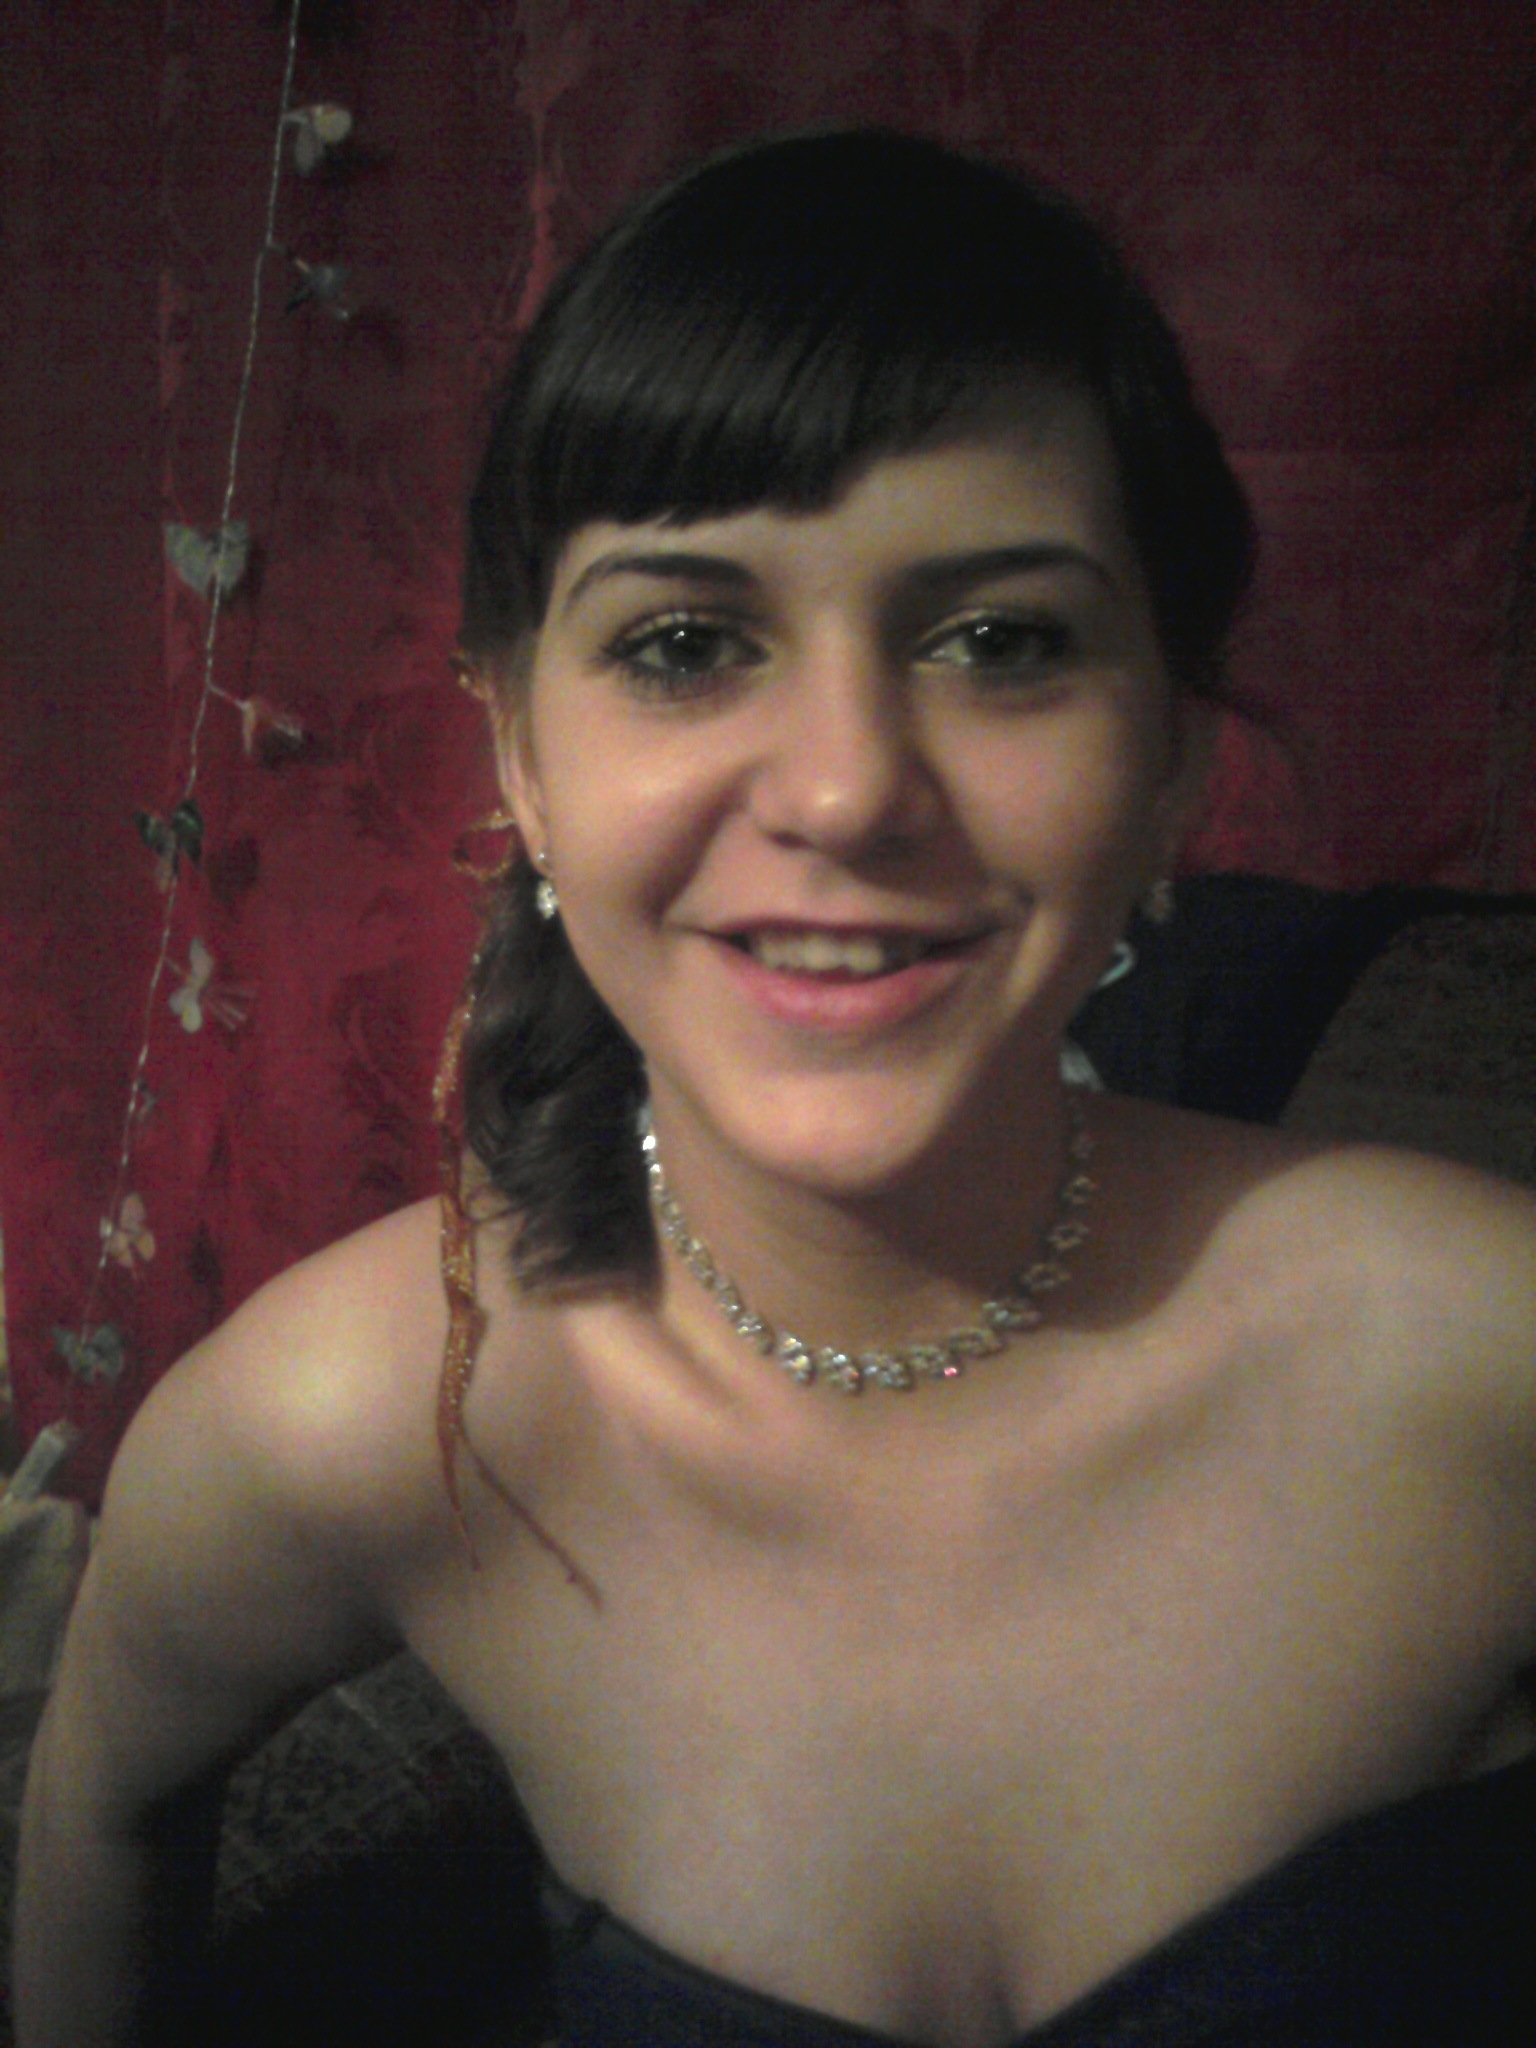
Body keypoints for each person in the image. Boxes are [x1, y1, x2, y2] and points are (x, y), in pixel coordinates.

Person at [15, 129, 1536, 2048]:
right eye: (684, 643)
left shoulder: (1484, 1359)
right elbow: (94, 1811)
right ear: (523, 758)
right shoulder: (354, 1421)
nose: (844, 786)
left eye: (1001, 641)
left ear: (1170, 756)